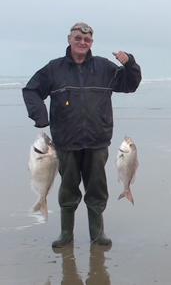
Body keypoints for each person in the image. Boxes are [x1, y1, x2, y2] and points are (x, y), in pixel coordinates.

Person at [23, 22, 142, 248]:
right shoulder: (54, 69)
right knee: (68, 189)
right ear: (70, 39)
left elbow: (130, 84)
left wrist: (130, 64)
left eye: (86, 40)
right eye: (78, 38)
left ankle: (97, 234)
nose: (82, 43)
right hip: (65, 142)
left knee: (96, 189)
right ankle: (66, 235)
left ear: (91, 43)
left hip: (97, 140)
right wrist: (40, 116)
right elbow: (31, 90)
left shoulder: (104, 67)